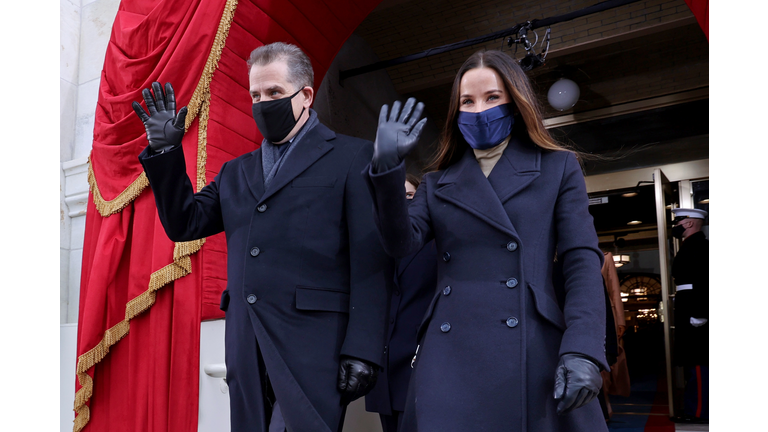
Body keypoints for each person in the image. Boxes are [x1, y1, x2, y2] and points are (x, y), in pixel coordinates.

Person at [132, 42, 393, 432]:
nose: (262, 103)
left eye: (274, 93)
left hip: (315, 345)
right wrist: (166, 152)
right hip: (246, 343)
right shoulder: (236, 171)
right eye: (255, 94)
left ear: (305, 95)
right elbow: (185, 223)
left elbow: (370, 260)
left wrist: (364, 348)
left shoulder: (353, 156)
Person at [364, 49, 609, 431]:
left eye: (492, 98)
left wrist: (584, 348)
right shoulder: (436, 182)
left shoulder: (557, 168)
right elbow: (400, 244)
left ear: (514, 101)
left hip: (531, 346)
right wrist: (386, 168)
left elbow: (581, 263)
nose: (479, 110)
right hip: (449, 355)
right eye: (468, 101)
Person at [365, 173, 438, 432]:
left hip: (420, 364)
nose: (402, 204)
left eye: (409, 196)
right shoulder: (374, 246)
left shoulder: (435, 244)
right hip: (384, 370)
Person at [670, 208, 709, 423]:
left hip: (695, 310)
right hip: (688, 308)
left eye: (679, 221)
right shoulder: (690, 246)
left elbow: (705, 281)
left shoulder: (701, 247)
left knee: (698, 362)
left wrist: (700, 313)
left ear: (690, 223)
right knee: (692, 362)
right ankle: (694, 408)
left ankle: (699, 412)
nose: (676, 226)